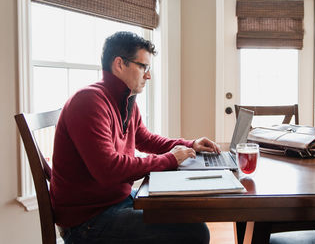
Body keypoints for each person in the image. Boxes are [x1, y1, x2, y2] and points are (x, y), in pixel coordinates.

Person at [50, 31, 220, 244]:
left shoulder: (126, 100)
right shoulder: (89, 101)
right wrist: (170, 159)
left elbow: (146, 139)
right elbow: (108, 169)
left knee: (185, 210)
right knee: (195, 232)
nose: (148, 75)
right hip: (88, 221)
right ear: (119, 64)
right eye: (143, 67)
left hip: (118, 200)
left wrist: (189, 144)